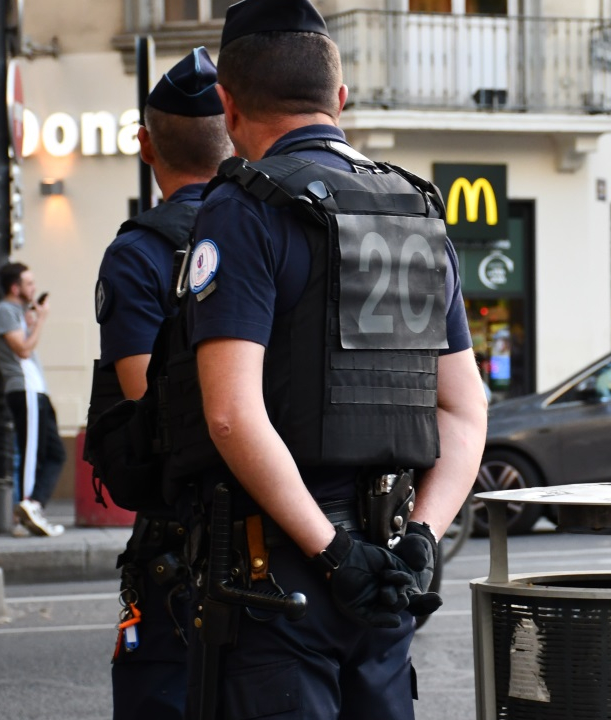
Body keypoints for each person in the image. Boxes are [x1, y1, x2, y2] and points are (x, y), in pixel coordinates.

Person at [181, 1, 487, 715]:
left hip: (280, 570)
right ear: (339, 99)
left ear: (227, 105)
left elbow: (230, 414)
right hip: (389, 566)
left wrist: (332, 553)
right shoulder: (415, 209)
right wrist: (419, 542)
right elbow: (465, 406)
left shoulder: (244, 207)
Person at [91, 47, 233, 720]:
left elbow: (144, 404)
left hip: (183, 538)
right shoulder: (273, 227)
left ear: (145, 145)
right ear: (233, 132)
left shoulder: (138, 254)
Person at [0, 262, 65, 536]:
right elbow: (22, 350)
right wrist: (41, 320)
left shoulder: (18, 313)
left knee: (56, 453)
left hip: (35, 391)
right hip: (25, 390)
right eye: (29, 283)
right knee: (32, 455)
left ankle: (31, 508)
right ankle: (25, 514)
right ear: (15, 287)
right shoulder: (4, 311)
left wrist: (31, 321)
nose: (33, 288)